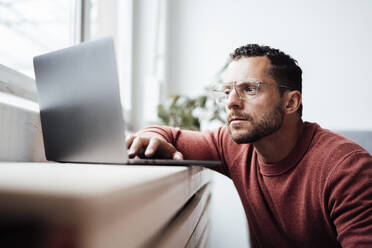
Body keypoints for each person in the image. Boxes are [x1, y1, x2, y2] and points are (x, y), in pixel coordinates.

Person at [126, 44, 372, 247]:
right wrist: (149, 136)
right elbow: (166, 135)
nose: (231, 102)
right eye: (226, 92)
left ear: (291, 103)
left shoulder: (347, 169)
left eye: (250, 89)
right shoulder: (230, 144)